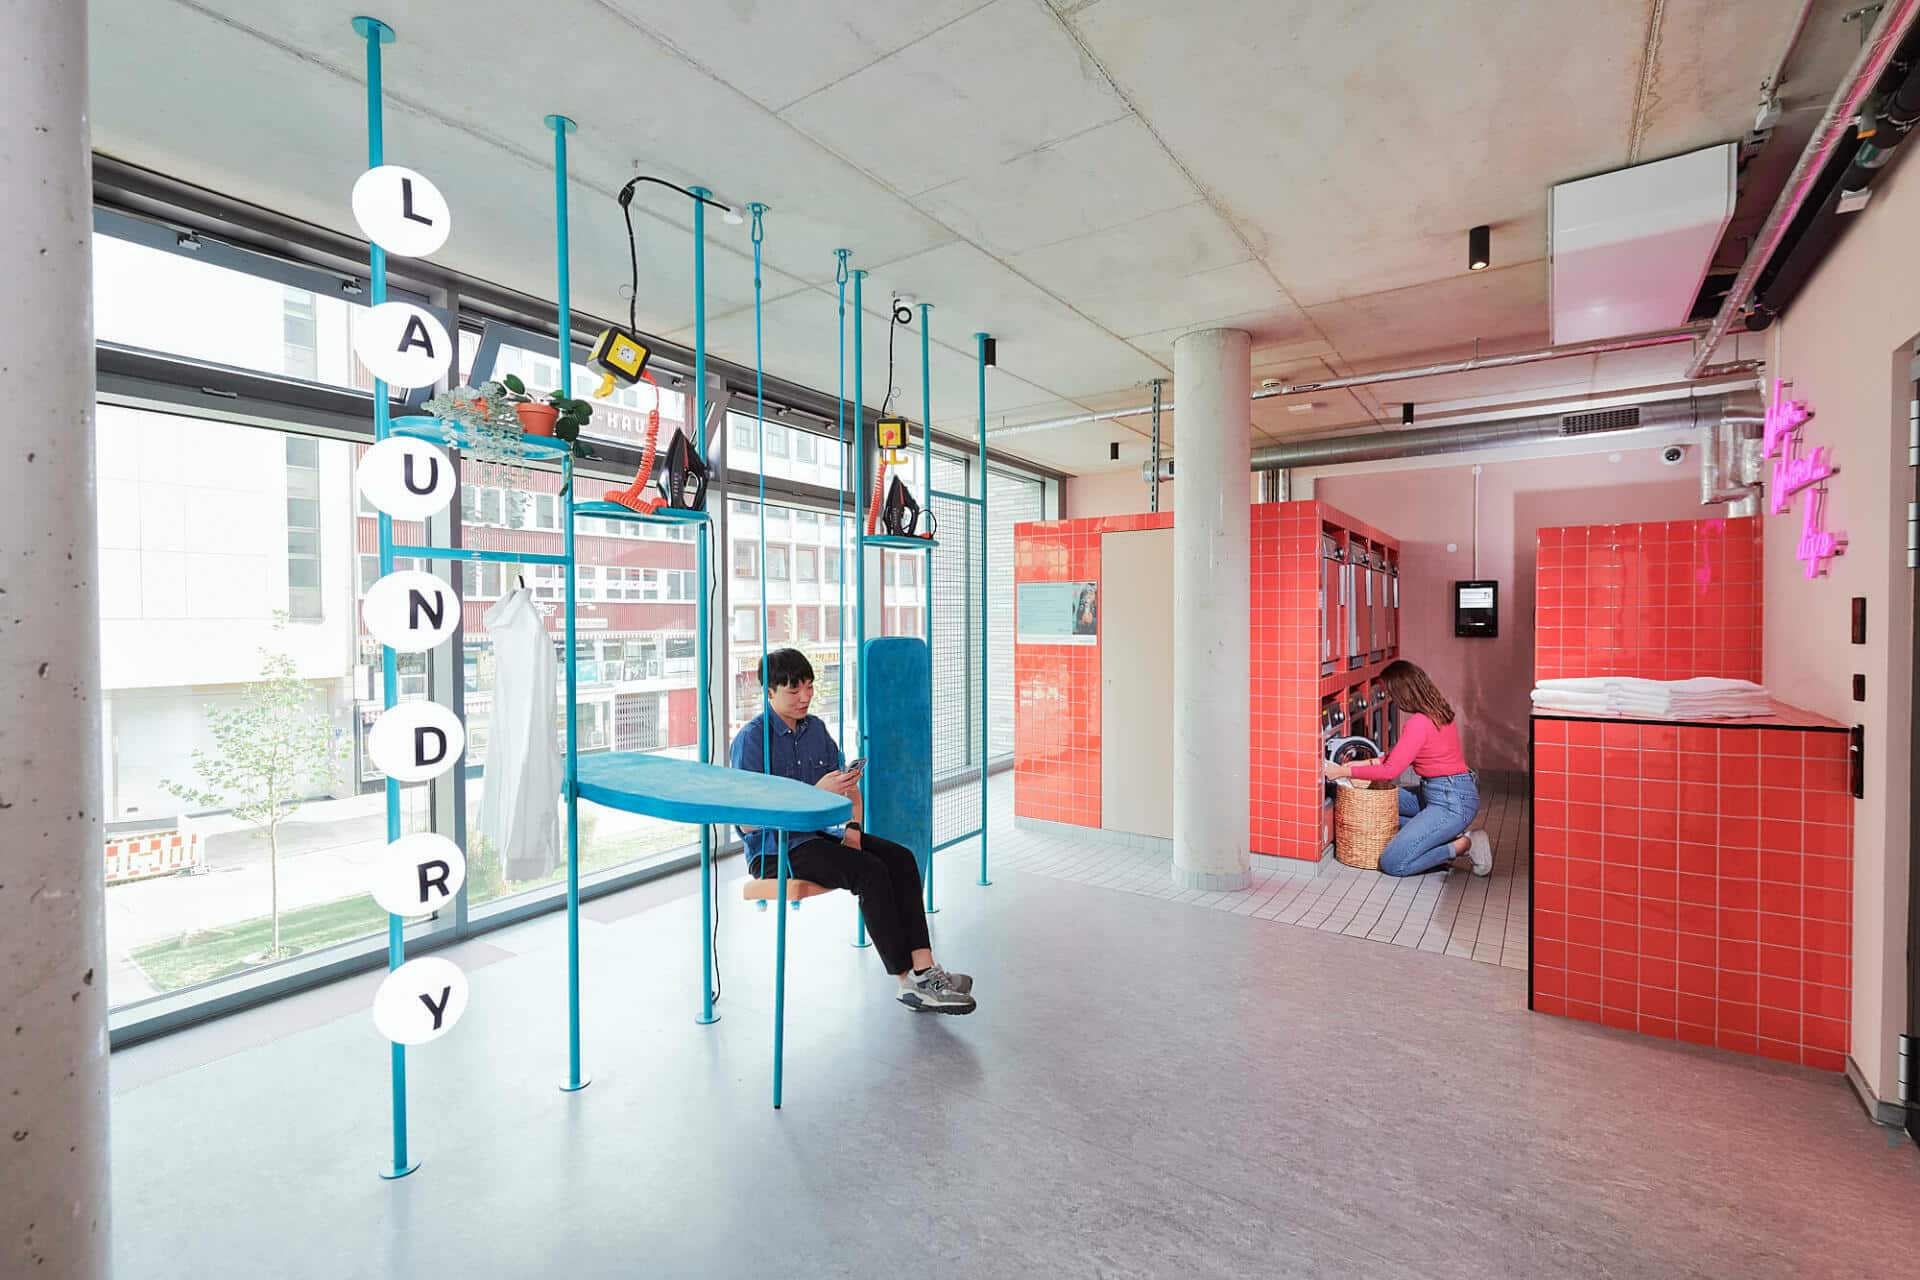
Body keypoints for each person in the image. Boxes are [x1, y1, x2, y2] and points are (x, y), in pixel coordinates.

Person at [729, 648, 976, 1015]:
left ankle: (925, 970)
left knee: (901, 858)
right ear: (769, 693)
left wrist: (854, 827)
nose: (805, 697)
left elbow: (848, 789)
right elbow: (747, 821)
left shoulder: (816, 730)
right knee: (870, 872)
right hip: (777, 850)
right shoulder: (751, 740)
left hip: (820, 836)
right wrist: (815, 793)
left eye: (810, 687)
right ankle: (907, 982)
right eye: (794, 690)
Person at [1322, 660, 1492, 878]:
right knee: (1379, 807)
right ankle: (1438, 834)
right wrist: (1363, 763)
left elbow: (1390, 772)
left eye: (1391, 693)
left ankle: (1464, 845)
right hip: (1444, 792)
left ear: (1403, 692)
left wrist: (1343, 772)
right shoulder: (1437, 712)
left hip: (1450, 801)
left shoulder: (1418, 724)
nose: (1391, 699)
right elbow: (1400, 756)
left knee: (1393, 862)